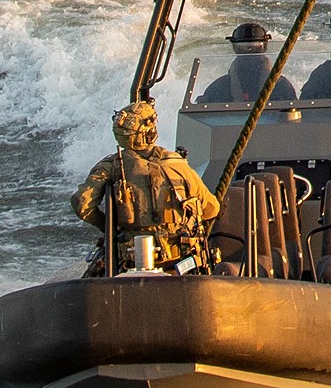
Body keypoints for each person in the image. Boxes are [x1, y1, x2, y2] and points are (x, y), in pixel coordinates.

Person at [70, 99, 219, 274]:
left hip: (129, 263)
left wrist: (109, 227)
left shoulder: (111, 166)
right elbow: (211, 208)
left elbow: (82, 204)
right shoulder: (176, 165)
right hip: (179, 262)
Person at [187, 19, 298, 109]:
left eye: (253, 47)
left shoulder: (281, 87)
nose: (249, 51)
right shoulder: (281, 85)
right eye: (244, 47)